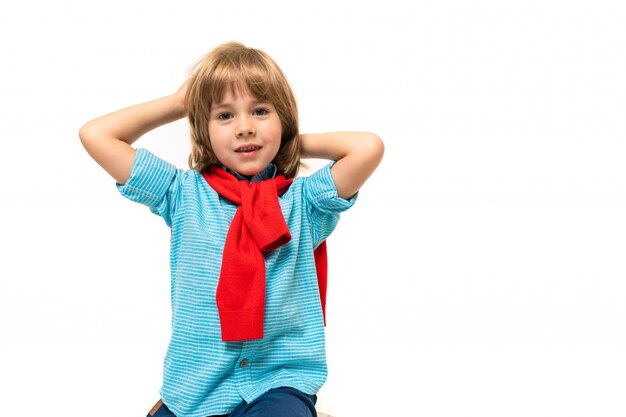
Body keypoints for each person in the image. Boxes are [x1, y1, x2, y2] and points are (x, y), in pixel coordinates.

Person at [79, 41, 384, 417]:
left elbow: (367, 148)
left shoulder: (305, 201)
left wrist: (287, 142)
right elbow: (96, 135)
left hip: (277, 382)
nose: (244, 128)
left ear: (283, 119)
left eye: (260, 111)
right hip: (196, 388)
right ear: (203, 130)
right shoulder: (182, 193)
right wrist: (180, 101)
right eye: (224, 116)